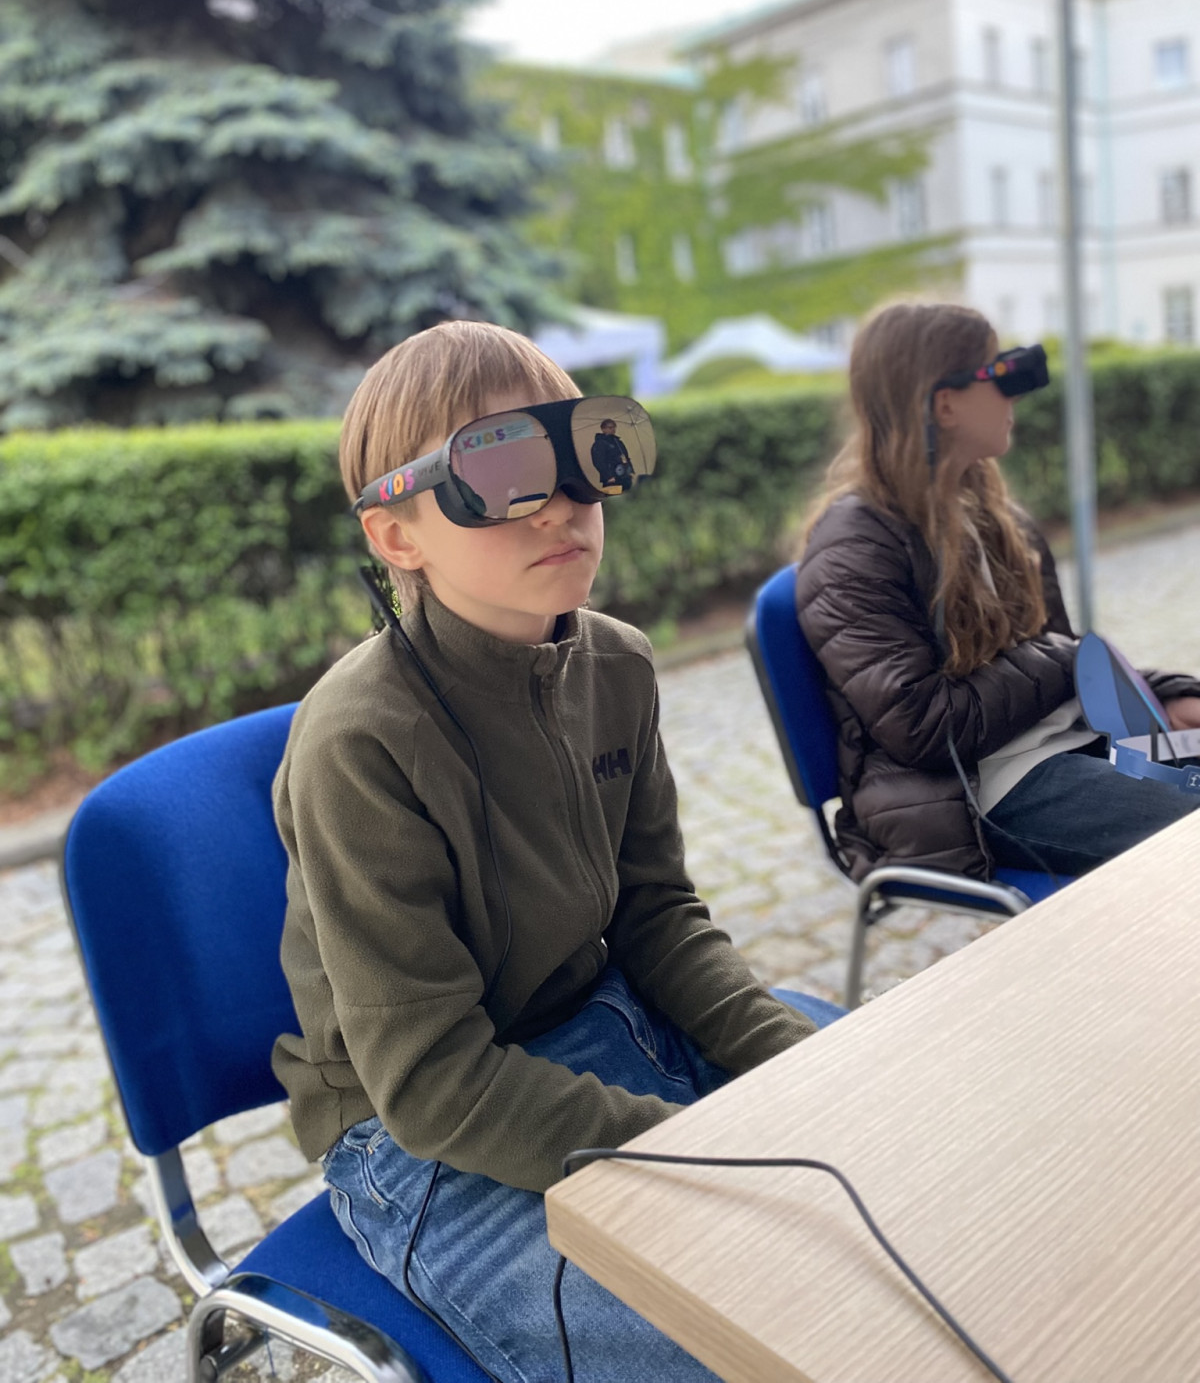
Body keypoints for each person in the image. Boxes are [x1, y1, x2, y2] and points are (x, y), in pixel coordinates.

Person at [272, 321, 843, 1383]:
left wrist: (792, 1059)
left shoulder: (617, 666)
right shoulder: (359, 741)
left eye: (589, 452)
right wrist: (691, 1149)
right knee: (750, 1332)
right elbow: (432, 1084)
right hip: (421, 1142)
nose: (563, 502)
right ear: (396, 534)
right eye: (502, 467)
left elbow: (657, 914)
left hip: (603, 1022)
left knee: (889, 1132)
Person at [795, 301, 1200, 883]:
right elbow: (922, 726)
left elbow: (1052, 657)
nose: (1015, 397)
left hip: (1075, 743)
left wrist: (1164, 696)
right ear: (945, 404)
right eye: (1001, 375)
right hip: (977, 795)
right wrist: (1063, 660)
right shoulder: (854, 548)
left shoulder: (992, 514)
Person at [590, 416, 634, 491]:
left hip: (624, 475)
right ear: (603, 429)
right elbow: (598, 462)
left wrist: (630, 470)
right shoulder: (600, 443)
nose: (613, 429)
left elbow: (626, 456)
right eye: (610, 427)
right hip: (612, 478)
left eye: (614, 427)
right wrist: (608, 476)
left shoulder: (618, 442)